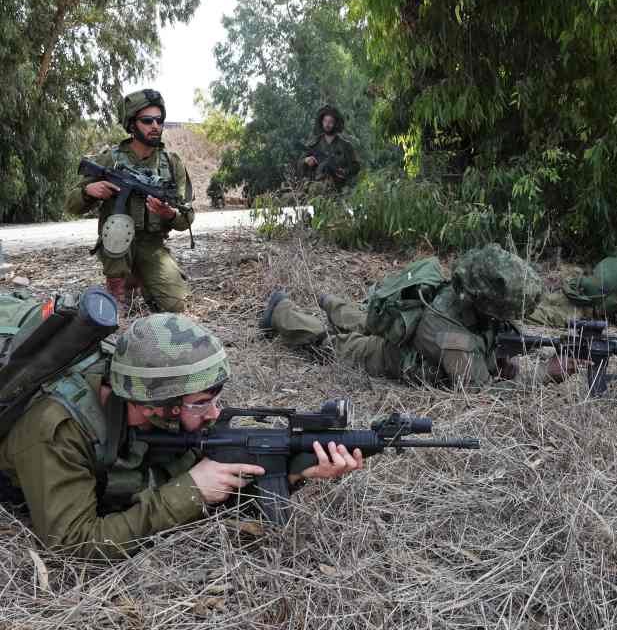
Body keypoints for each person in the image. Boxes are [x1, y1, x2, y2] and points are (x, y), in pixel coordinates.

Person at [0, 313, 362, 559]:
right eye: (202, 403)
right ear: (155, 404)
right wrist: (188, 491)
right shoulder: (57, 428)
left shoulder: (167, 414)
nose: (215, 414)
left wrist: (295, 471)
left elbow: (218, 491)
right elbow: (73, 545)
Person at [260, 244, 545, 390]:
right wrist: (545, 375)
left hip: (411, 326)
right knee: (331, 346)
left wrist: (501, 360)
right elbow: (479, 393)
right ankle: (281, 312)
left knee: (364, 321)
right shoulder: (453, 336)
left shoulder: (465, 296)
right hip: (390, 354)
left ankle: (331, 303)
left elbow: (490, 344)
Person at [66, 89, 195, 313]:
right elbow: (71, 205)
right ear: (132, 124)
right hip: (117, 244)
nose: (155, 126)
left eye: (159, 120)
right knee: (118, 226)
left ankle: (140, 279)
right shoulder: (110, 159)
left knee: (176, 305)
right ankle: (117, 290)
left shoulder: (171, 164)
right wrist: (89, 191)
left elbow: (187, 218)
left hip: (152, 246)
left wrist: (169, 214)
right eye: (147, 120)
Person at [299, 104, 361, 192]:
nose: (327, 124)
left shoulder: (346, 146)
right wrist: (306, 160)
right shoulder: (314, 144)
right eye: (325, 121)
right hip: (315, 190)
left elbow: (356, 166)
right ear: (322, 122)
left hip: (340, 191)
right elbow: (299, 164)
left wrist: (344, 172)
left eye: (331, 121)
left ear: (336, 124)